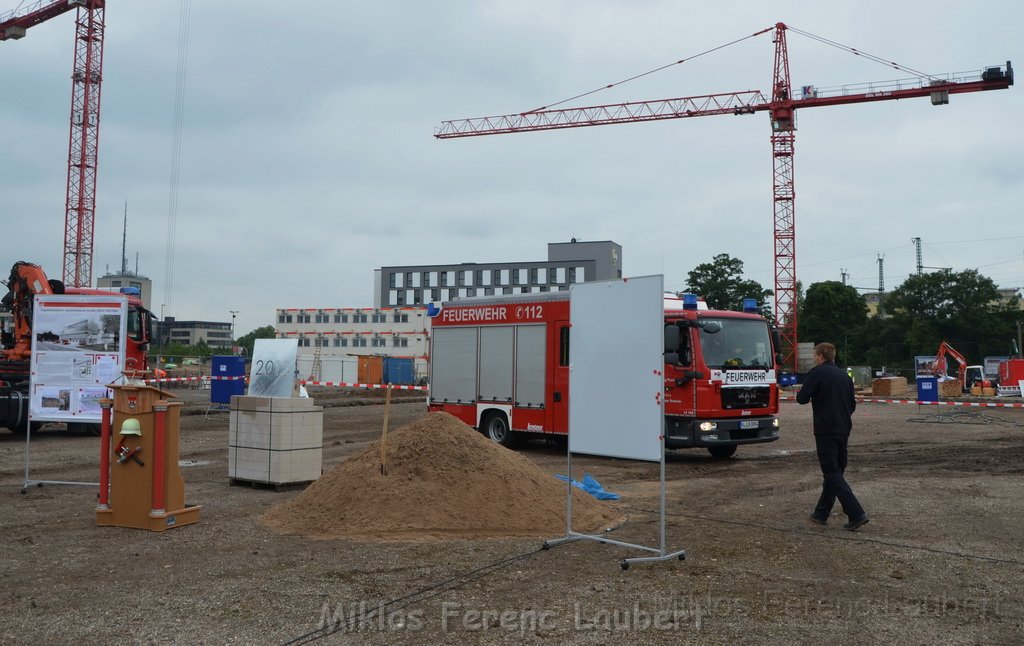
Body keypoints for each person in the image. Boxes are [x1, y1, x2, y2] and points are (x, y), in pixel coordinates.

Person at [796, 342, 869, 530]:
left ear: (821, 356)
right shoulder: (845, 377)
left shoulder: (817, 373)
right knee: (836, 471)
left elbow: (801, 398)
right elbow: (852, 405)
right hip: (843, 429)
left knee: (831, 472)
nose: (814, 358)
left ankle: (856, 513)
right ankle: (821, 513)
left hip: (825, 430)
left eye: (815, 355)